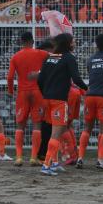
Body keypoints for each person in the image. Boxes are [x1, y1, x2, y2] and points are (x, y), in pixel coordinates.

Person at [36, 33, 87, 176]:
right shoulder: (69, 58)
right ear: (68, 43)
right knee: (56, 133)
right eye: (74, 41)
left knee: (58, 129)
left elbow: (40, 79)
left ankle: (55, 162)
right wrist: (87, 89)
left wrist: (45, 93)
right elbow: (76, 78)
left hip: (47, 99)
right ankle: (46, 165)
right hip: (59, 100)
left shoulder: (50, 57)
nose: (75, 43)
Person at [7, 31, 50, 166]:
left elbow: (9, 77)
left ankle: (19, 157)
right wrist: (40, 73)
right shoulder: (41, 53)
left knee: (20, 124)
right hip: (37, 91)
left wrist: (10, 91)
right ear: (32, 41)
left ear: (21, 42)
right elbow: (54, 62)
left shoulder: (15, 57)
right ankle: (33, 157)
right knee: (37, 124)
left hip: (22, 92)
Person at [78, 33, 103, 171]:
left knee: (87, 128)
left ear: (96, 45)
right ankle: (100, 160)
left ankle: (80, 158)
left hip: (90, 96)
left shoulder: (90, 59)